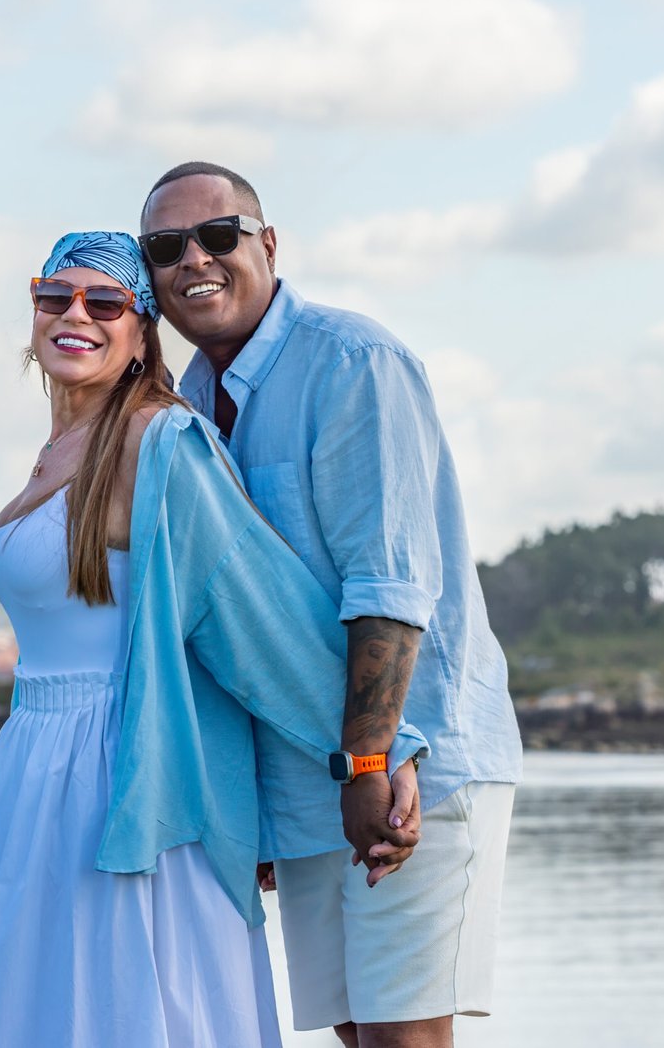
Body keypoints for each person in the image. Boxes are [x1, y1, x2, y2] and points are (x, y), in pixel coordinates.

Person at [0, 231, 426, 1048]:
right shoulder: (57, 450)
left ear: (143, 333)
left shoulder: (160, 444)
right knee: (21, 1003)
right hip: (31, 767)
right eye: (55, 296)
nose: (76, 315)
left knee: (119, 1007)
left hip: (125, 765)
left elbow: (265, 618)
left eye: (106, 302)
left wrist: (382, 747)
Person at [139, 163, 524, 1048]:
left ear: (268, 244)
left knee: (403, 1039)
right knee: (355, 1030)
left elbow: (389, 584)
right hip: (305, 769)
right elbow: (228, 619)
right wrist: (257, 803)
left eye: (219, 235)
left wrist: (368, 764)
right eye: (166, 247)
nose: (194, 259)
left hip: (410, 763)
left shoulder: (355, 363)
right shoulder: (185, 406)